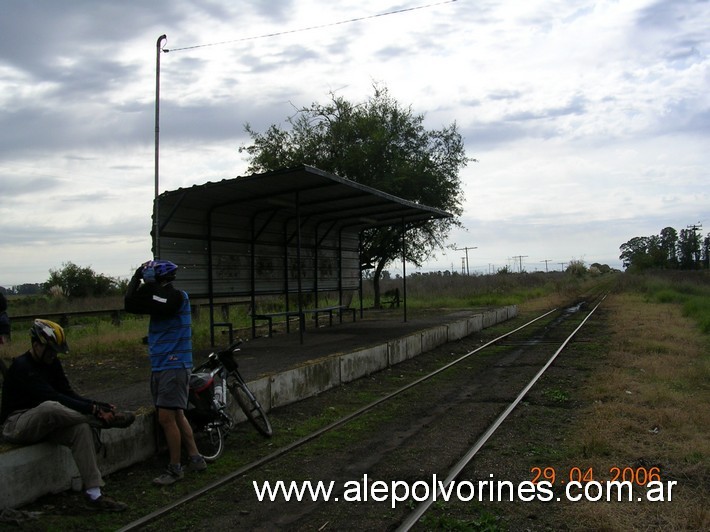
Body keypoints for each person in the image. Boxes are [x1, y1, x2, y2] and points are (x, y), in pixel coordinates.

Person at [0, 319, 135, 511]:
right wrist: (95, 412)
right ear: (36, 345)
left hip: (47, 423)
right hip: (17, 424)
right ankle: (100, 422)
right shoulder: (22, 367)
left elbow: (67, 393)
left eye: (56, 351)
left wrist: (97, 405)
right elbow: (53, 397)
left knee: (80, 429)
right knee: (50, 405)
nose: (54, 355)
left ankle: (94, 494)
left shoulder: (52, 363)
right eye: (51, 350)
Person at [124, 260, 207, 485]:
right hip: (161, 364)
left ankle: (175, 468)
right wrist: (136, 278)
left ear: (160, 278)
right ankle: (196, 457)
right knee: (177, 414)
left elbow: (164, 304)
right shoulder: (156, 297)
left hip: (175, 363)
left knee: (166, 418)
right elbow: (130, 303)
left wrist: (149, 284)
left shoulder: (177, 297)